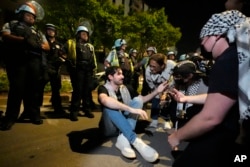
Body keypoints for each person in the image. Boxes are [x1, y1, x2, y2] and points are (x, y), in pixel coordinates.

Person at [168, 10, 248, 167]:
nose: (202, 44)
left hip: (224, 137)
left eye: (203, 39)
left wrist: (177, 136)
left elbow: (211, 117)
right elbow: (222, 98)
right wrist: (186, 98)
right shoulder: (238, 57)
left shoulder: (226, 60)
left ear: (216, 35)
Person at [98, 66, 169, 162]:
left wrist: (157, 91)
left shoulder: (126, 87)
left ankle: (123, 138)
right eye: (118, 74)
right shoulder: (103, 88)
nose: (122, 76)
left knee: (137, 100)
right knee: (110, 105)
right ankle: (135, 140)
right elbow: (105, 100)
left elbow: (142, 99)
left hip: (124, 125)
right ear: (110, 77)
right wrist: (131, 110)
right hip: (110, 128)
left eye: (122, 73)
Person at [0, 1, 50, 130]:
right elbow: (5, 36)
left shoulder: (38, 32)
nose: (31, 18)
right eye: (28, 15)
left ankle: (33, 115)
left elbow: (47, 46)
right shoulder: (11, 24)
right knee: (16, 89)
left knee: (33, 90)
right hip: (18, 60)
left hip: (34, 62)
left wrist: (38, 45)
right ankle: (10, 118)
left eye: (33, 16)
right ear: (21, 14)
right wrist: (24, 40)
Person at [160, 60, 209, 129]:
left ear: (190, 75)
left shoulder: (203, 85)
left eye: (178, 76)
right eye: (175, 76)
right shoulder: (179, 83)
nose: (176, 79)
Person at [62, 25, 97, 121]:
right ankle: (74, 112)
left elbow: (93, 59)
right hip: (78, 70)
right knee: (77, 91)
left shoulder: (89, 46)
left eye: (86, 34)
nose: (85, 35)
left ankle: (87, 110)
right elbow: (61, 52)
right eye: (83, 33)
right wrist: (67, 61)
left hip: (88, 71)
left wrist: (93, 70)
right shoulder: (72, 43)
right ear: (78, 34)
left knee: (87, 91)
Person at [38, 23, 65, 115]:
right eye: (49, 30)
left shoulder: (59, 44)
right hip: (45, 68)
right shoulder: (43, 42)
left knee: (56, 90)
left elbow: (63, 55)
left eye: (52, 30)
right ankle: (35, 110)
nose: (51, 31)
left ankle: (58, 109)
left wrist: (62, 59)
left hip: (55, 70)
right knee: (39, 88)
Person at [145, 53, 176, 130]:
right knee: (155, 100)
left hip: (170, 86)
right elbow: (151, 86)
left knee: (168, 103)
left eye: (154, 66)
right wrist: (158, 93)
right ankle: (154, 120)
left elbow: (177, 78)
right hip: (157, 87)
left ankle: (167, 120)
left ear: (162, 66)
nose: (151, 68)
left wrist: (167, 94)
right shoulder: (148, 71)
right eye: (150, 65)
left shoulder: (172, 65)